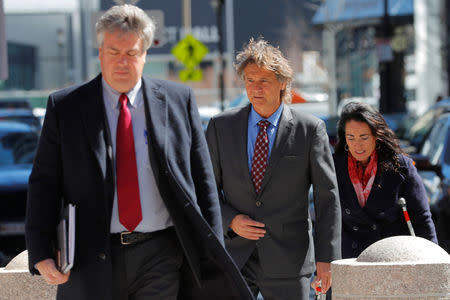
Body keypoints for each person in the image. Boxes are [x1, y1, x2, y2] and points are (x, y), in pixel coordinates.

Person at [25, 5, 253, 300]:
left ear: (145, 54)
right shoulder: (66, 107)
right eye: (113, 51)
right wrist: (41, 251)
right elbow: (45, 182)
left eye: (131, 53)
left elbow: (202, 180)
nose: (122, 62)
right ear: (100, 53)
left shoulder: (177, 101)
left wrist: (213, 251)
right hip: (90, 259)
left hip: (161, 255)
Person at [205, 38, 341, 300]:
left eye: (264, 81)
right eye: (249, 80)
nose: (255, 88)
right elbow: (205, 189)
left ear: (282, 83)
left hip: (289, 261)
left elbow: (328, 198)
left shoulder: (309, 130)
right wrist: (230, 219)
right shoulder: (220, 127)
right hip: (235, 257)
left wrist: (328, 259)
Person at [333, 102, 438, 259]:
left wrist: (433, 262)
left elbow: (422, 218)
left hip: (391, 260)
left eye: (364, 137)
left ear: (376, 136)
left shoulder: (400, 165)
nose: (357, 145)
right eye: (351, 138)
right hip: (350, 262)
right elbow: (325, 221)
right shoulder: (334, 166)